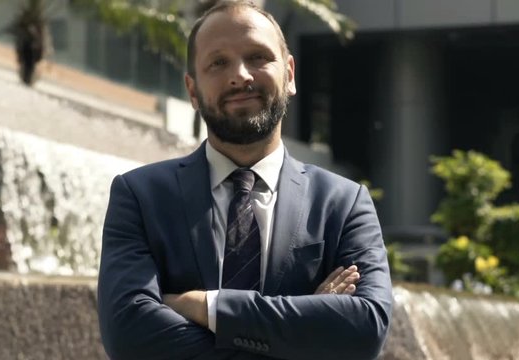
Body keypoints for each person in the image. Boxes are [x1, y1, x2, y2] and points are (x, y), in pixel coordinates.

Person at [97, 1, 392, 359]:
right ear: (192, 90)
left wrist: (210, 308)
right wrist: (306, 326)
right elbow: (129, 336)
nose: (240, 76)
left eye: (257, 57)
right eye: (218, 63)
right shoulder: (140, 197)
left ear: (290, 74)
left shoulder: (344, 204)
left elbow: (366, 329)